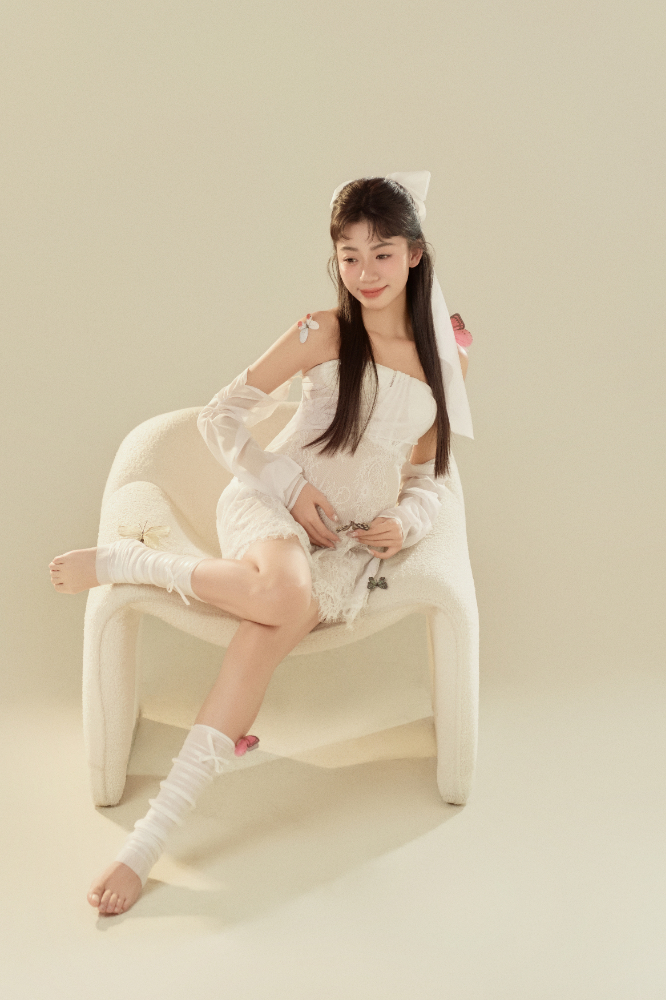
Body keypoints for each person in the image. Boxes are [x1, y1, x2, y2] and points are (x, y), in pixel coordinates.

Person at [49, 173, 473, 916]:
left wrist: (403, 524)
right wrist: (290, 486)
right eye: (348, 256)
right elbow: (219, 417)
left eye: (381, 253)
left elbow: (430, 476)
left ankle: (145, 845)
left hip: (342, 549)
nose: (365, 272)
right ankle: (131, 561)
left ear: (415, 254)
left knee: (265, 633)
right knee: (282, 593)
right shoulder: (323, 332)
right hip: (267, 507)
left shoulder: (447, 355)